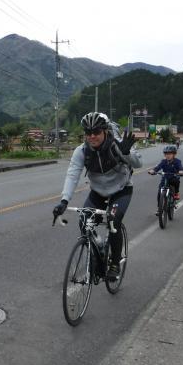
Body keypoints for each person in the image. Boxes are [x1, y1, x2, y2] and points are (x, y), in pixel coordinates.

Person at [53, 112, 142, 280]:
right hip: (98, 192)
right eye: (88, 133)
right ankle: (98, 248)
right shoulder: (82, 151)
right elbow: (72, 175)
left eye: (96, 132)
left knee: (113, 222)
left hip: (121, 190)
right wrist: (64, 201)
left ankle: (115, 263)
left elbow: (139, 163)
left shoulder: (118, 145)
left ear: (105, 131)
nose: (92, 136)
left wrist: (127, 153)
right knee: (84, 221)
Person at [148, 145, 183, 214]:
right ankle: (159, 208)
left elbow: (180, 168)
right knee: (159, 192)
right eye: (166, 154)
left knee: (176, 182)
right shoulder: (163, 161)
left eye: (170, 154)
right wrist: (153, 170)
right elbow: (158, 167)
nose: (168, 155)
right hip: (165, 178)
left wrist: (181, 171)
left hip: (173, 177)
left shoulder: (177, 161)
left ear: (174, 154)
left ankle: (176, 193)